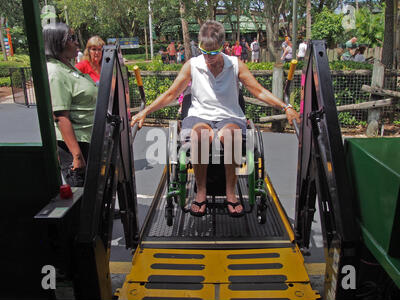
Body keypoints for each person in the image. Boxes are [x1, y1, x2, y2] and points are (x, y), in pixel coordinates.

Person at [130, 20, 299, 218]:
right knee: (200, 136)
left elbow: (259, 91)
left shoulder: (235, 65)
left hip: (229, 116)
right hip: (199, 115)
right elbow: (171, 94)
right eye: (204, 51)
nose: (208, 57)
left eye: (213, 52)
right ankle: (201, 192)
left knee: (232, 135)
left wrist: (286, 106)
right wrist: (145, 111)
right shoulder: (192, 65)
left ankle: (230, 193)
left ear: (222, 47)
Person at [43, 23, 98, 187]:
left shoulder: (68, 67)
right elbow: (60, 117)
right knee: (82, 194)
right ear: (57, 42)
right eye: (71, 38)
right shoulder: (55, 72)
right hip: (77, 144)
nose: (77, 43)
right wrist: (77, 155)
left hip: (89, 139)